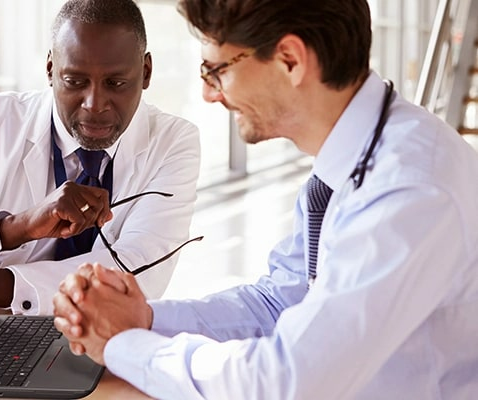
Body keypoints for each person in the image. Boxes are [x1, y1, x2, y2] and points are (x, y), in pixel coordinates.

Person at [52, 0, 478, 398]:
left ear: (290, 60)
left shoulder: (410, 187)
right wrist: (145, 319)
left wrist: (123, 344)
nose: (209, 93)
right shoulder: (349, 159)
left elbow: (288, 380)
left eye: (216, 70)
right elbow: (279, 302)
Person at [0, 0, 200, 315]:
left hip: (105, 332)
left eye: (115, 83)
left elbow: (138, 272)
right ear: (50, 69)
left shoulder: (173, 141)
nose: (94, 104)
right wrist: (17, 227)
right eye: (75, 81)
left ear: (145, 72)